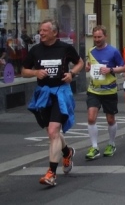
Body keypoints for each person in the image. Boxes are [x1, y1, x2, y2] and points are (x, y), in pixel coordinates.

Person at [22, 19, 83, 187]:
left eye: (44, 30)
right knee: (51, 132)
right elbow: (24, 71)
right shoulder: (35, 50)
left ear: (54, 33)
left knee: (53, 130)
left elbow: (80, 62)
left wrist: (72, 74)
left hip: (60, 93)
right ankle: (67, 152)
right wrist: (35, 72)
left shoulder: (65, 48)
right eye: (40, 30)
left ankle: (51, 174)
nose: (40, 33)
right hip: (43, 94)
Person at [84, 25, 125, 160]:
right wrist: (88, 67)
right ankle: (94, 147)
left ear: (105, 36)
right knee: (91, 118)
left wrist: (110, 70)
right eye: (95, 37)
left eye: (99, 37)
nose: (97, 39)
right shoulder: (91, 50)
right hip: (94, 90)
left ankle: (111, 144)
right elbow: (89, 66)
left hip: (109, 90)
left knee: (110, 119)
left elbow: (124, 67)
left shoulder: (113, 51)